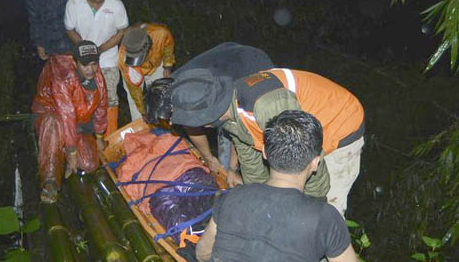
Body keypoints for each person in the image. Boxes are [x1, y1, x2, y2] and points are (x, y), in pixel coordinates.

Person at [190, 110, 364, 262]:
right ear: (316, 162)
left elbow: (203, 252)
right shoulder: (324, 218)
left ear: (265, 154)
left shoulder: (233, 196)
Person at [145, 44, 364, 216]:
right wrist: (255, 196)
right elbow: (251, 159)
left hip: (339, 125)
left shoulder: (265, 107)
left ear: (205, 119)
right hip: (301, 129)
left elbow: (307, 159)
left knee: (323, 212)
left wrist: (309, 209)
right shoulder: (230, 114)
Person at [31, 41, 107, 203]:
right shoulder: (63, 77)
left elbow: (101, 108)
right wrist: (72, 153)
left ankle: (65, 149)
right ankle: (50, 182)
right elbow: (67, 114)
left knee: (89, 164)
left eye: (94, 64)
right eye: (85, 65)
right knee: (53, 123)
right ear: (75, 63)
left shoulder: (98, 78)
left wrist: (99, 138)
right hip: (53, 115)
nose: (90, 70)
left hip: (78, 122)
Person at [64, 0, 129, 136]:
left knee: (109, 99)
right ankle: (84, 139)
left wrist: (99, 49)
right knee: (81, 98)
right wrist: (86, 48)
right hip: (83, 60)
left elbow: (122, 30)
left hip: (108, 58)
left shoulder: (116, 5)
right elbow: (69, 29)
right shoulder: (73, 3)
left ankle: (109, 140)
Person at [117, 23, 176, 121]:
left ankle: (165, 122)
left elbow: (168, 48)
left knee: (161, 94)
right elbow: (135, 90)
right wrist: (143, 112)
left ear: (148, 47)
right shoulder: (123, 59)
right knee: (134, 101)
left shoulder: (161, 34)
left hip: (156, 63)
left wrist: (167, 66)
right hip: (135, 70)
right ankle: (139, 124)